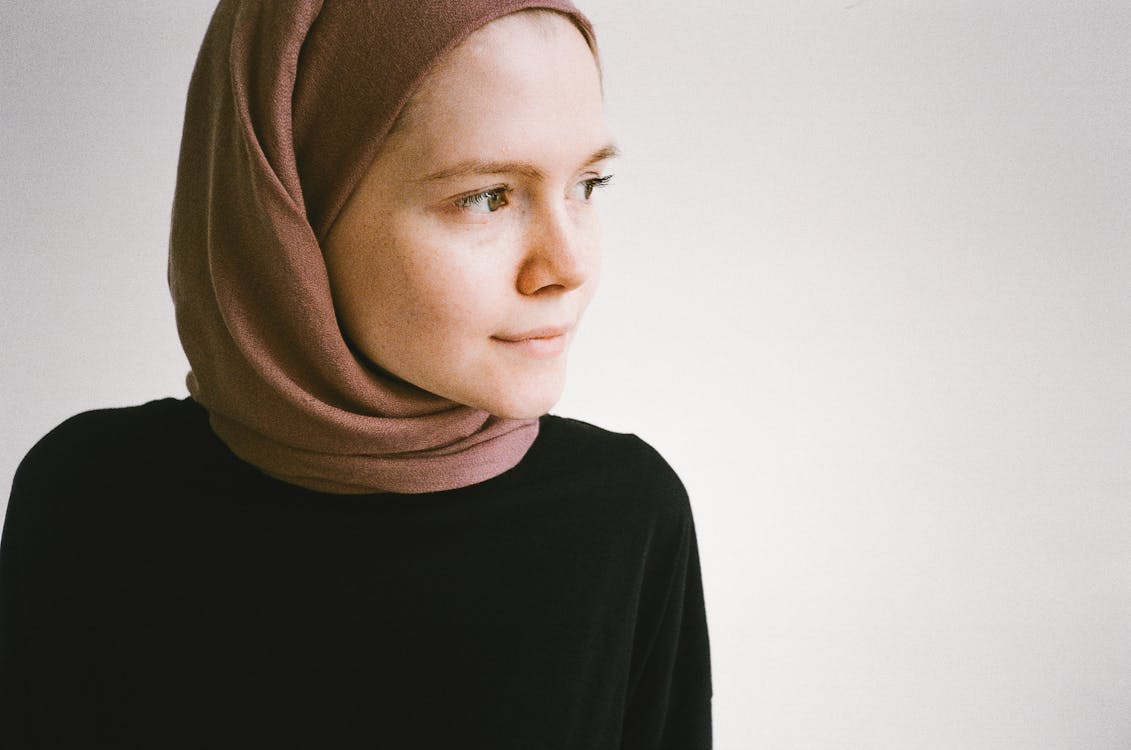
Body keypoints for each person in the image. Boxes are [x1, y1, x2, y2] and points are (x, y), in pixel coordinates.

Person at [0, 1, 712, 746]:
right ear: (292, 206)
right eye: (484, 196)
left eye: (587, 185)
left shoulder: (623, 517)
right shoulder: (90, 499)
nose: (568, 267)